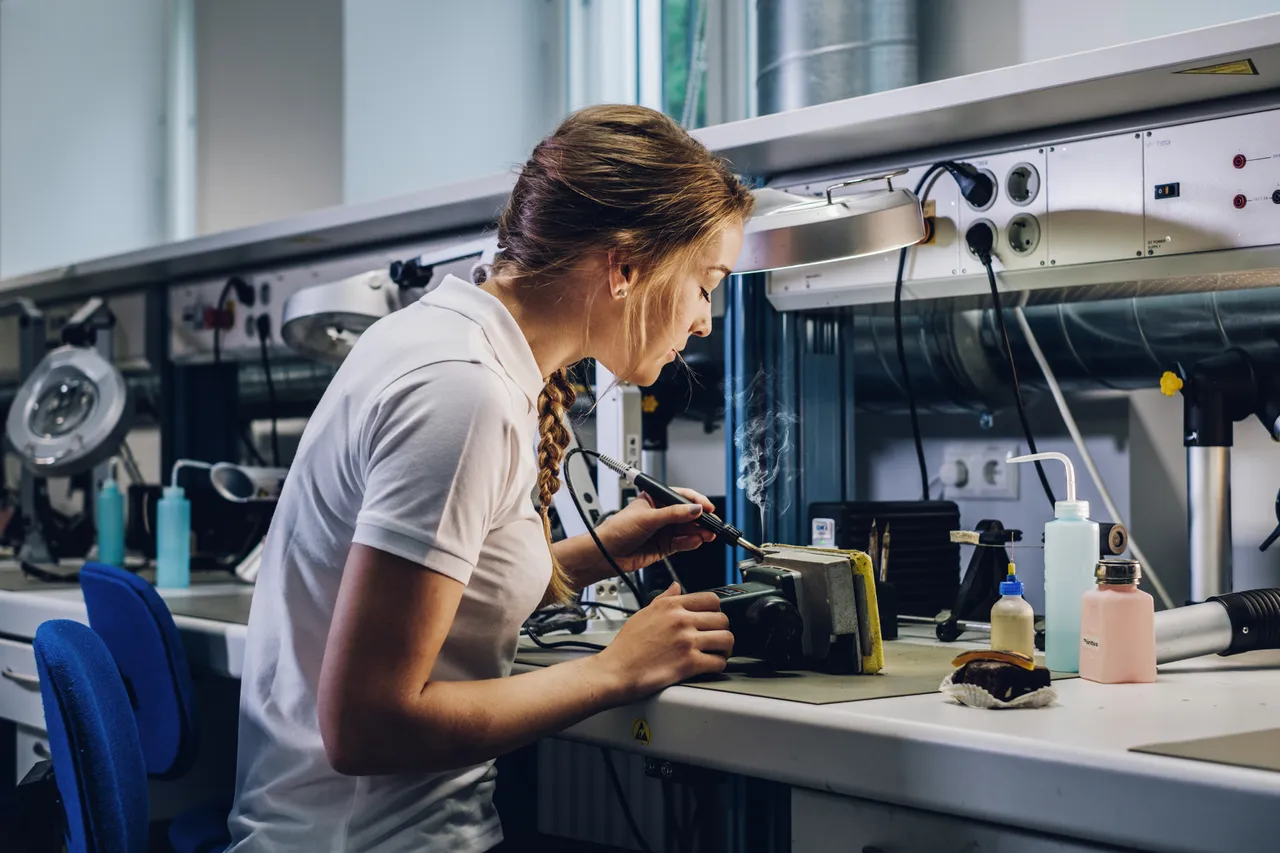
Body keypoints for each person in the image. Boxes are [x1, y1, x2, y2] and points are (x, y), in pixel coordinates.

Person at [226, 104, 755, 852]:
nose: (705, 319)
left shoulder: (447, 336)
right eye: (706, 284)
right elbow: (366, 726)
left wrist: (593, 552)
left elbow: (438, 599)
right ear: (626, 264)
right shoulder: (462, 392)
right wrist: (614, 670)